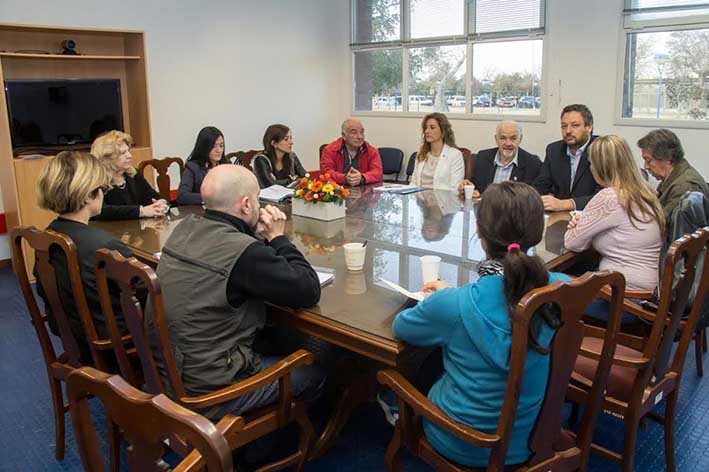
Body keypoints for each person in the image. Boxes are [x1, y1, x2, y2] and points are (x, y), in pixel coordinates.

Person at [392, 181, 569, 467]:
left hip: (463, 441)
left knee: (407, 370)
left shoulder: (453, 304)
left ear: (479, 233)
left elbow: (402, 328)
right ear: (538, 232)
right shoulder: (563, 291)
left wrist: (441, 298)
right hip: (534, 433)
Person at [146, 164, 325, 419]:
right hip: (213, 389)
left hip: (173, 371)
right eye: (256, 199)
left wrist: (256, 238)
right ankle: (267, 448)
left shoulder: (185, 228)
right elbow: (307, 289)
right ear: (246, 205)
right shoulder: (244, 252)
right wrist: (277, 238)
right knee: (314, 370)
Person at [35, 151, 134, 362]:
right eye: (103, 188)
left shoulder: (47, 237)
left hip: (74, 337)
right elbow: (146, 297)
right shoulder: (105, 247)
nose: (104, 193)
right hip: (115, 346)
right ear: (88, 195)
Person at [565, 136, 664, 323]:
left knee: (545, 293)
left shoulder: (610, 197)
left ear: (601, 167)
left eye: (592, 163)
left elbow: (572, 243)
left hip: (624, 300)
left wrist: (580, 224)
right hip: (647, 293)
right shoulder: (645, 191)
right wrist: (586, 222)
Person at [533, 104, 602, 211]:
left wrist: (565, 204)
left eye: (575, 125)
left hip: (591, 215)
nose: (568, 131)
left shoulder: (601, 150)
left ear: (589, 127)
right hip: (559, 217)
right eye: (564, 126)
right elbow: (542, 185)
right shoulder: (553, 150)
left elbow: (604, 194)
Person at [91, 130, 169, 220]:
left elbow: (154, 196)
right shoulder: (96, 181)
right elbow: (101, 211)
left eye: (128, 151)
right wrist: (141, 211)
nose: (130, 156)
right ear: (107, 158)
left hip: (137, 230)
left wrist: (162, 204)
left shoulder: (133, 174)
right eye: (123, 153)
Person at [637, 128, 709, 221]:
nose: (646, 167)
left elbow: (662, 223)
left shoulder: (684, 186)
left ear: (668, 159)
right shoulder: (673, 178)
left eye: (648, 160)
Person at [464, 121, 542, 194]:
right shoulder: (483, 157)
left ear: (520, 139)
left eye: (513, 138)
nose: (508, 143)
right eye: (503, 138)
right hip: (486, 207)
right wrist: (468, 186)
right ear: (496, 139)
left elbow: (533, 198)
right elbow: (475, 186)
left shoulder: (533, 163)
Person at [320, 118, 383, 186]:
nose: (360, 136)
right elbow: (326, 173)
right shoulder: (330, 150)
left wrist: (362, 178)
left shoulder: (371, 151)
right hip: (338, 191)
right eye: (354, 132)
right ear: (344, 135)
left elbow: (378, 173)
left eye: (362, 132)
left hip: (364, 191)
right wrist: (345, 178)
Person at [410, 113, 465, 190]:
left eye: (432, 128)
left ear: (443, 131)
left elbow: (455, 188)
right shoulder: (421, 154)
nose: (427, 131)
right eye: (425, 128)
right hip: (420, 200)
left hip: (443, 201)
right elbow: (413, 183)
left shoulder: (455, 155)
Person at [177, 126, 229, 205]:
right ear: (204, 147)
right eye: (214, 146)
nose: (219, 150)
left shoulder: (227, 165)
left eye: (221, 146)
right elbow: (182, 196)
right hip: (202, 213)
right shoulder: (193, 167)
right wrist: (211, 198)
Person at [252, 124, 307, 188]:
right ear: (274, 143)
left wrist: (297, 179)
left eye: (291, 138)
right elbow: (270, 184)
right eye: (286, 139)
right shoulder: (261, 160)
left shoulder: (291, 156)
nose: (291, 142)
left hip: (289, 195)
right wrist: (291, 179)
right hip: (268, 197)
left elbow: (305, 176)